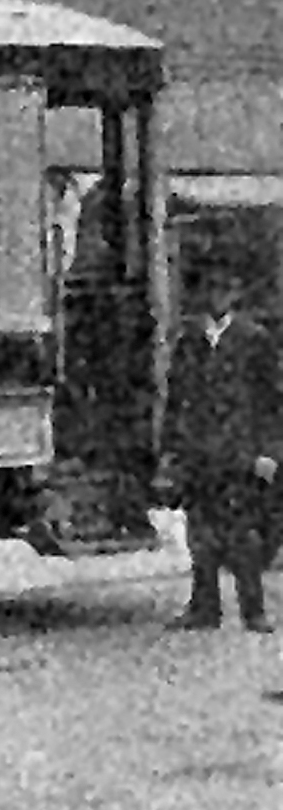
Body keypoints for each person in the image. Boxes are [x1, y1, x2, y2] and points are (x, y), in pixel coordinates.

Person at [161, 232, 283, 632]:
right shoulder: (189, 343)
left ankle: (253, 609)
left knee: (243, 532)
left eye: (225, 289)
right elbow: (177, 401)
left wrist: (269, 452)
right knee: (201, 533)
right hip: (201, 453)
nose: (217, 297)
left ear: (236, 294)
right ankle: (204, 607)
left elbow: (271, 403)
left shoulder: (254, 340)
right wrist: (172, 451)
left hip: (241, 452)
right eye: (210, 289)